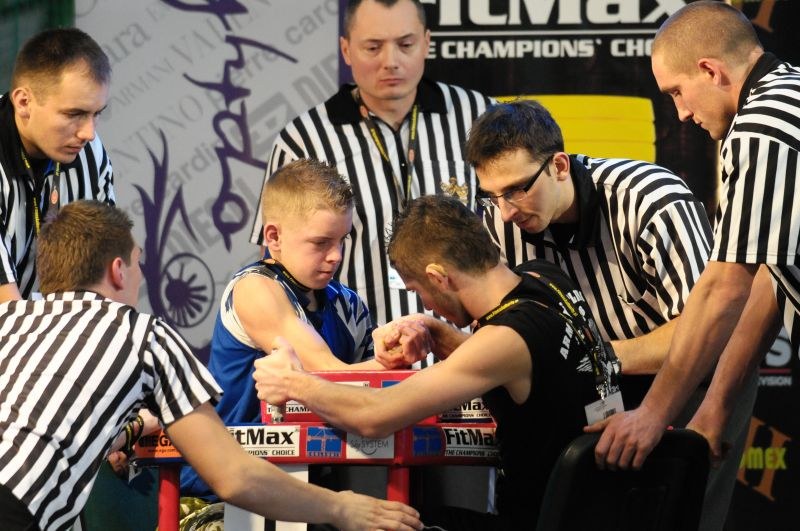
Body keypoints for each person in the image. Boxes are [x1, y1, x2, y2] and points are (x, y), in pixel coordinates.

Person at [0, 200, 422, 531]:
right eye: (138, 262)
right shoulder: (143, 335)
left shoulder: (7, 320)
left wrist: (130, 427)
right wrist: (342, 509)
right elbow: (233, 476)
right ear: (118, 271)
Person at [464, 99, 754, 530]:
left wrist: (596, 357)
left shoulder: (650, 199)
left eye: (518, 190)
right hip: (595, 386)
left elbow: (710, 329)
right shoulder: (498, 221)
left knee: (676, 516)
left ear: (559, 165)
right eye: (492, 195)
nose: (506, 211)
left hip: (694, 377)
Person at [254, 195, 622, 529]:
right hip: (602, 507)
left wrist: (293, 381)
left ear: (438, 277)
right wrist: (434, 331)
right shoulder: (547, 278)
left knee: (383, 522)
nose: (427, 305)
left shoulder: (506, 340)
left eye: (418, 291)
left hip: (539, 522)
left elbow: (374, 416)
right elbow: (527, 362)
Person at [591, 0, 797, 494]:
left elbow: (725, 288)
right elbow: (770, 273)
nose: (681, 113)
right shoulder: (786, 93)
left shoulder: (761, 128)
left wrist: (652, 413)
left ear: (711, 70)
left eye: (677, 92)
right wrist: (715, 406)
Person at [180, 159, 428, 512]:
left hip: (310, 493)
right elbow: (328, 377)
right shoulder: (254, 289)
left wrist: (395, 355)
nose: (336, 256)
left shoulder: (347, 303)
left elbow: (370, 394)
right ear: (273, 237)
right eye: (321, 242)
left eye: (342, 240)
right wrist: (413, 370)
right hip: (220, 497)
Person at [249, 0, 493, 327]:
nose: (390, 61)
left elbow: (512, 235)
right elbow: (276, 262)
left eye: (405, 45)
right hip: (353, 349)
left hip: (470, 345)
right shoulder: (303, 140)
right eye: (373, 47)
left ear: (426, 43)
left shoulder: (479, 118)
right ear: (346, 50)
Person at [0, 27, 114, 303]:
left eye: (96, 114)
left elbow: (100, 281)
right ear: (24, 102)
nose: (89, 133)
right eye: (74, 114)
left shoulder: (90, 152)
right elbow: (7, 310)